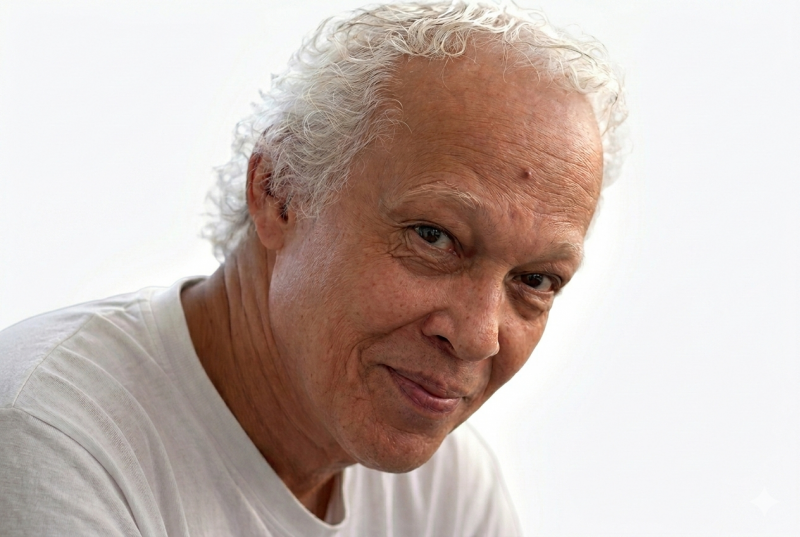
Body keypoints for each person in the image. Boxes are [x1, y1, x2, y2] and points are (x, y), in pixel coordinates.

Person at [0, 1, 626, 535]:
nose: (478, 336)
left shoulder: (449, 489)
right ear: (280, 192)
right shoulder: (52, 436)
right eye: (434, 237)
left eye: (535, 281)